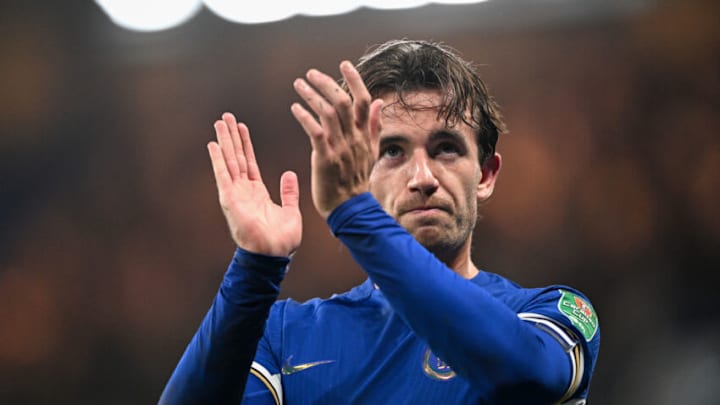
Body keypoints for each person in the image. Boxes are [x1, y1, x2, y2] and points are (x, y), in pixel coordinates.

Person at [159, 39, 600, 405]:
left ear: (485, 175)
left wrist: (354, 214)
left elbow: (522, 377)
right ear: (358, 174)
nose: (423, 178)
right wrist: (254, 268)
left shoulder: (550, 314)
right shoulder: (284, 335)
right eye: (391, 152)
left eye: (446, 148)